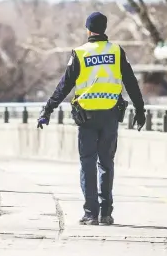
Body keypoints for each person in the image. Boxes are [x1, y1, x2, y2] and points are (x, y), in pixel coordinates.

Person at [37, 12, 146, 226]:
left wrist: (47, 109)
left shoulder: (80, 53)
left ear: (88, 30)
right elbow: (131, 82)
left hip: (86, 117)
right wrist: (140, 110)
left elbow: (64, 85)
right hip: (110, 116)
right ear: (105, 29)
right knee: (106, 163)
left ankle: (90, 213)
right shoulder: (116, 52)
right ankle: (106, 213)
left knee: (87, 164)